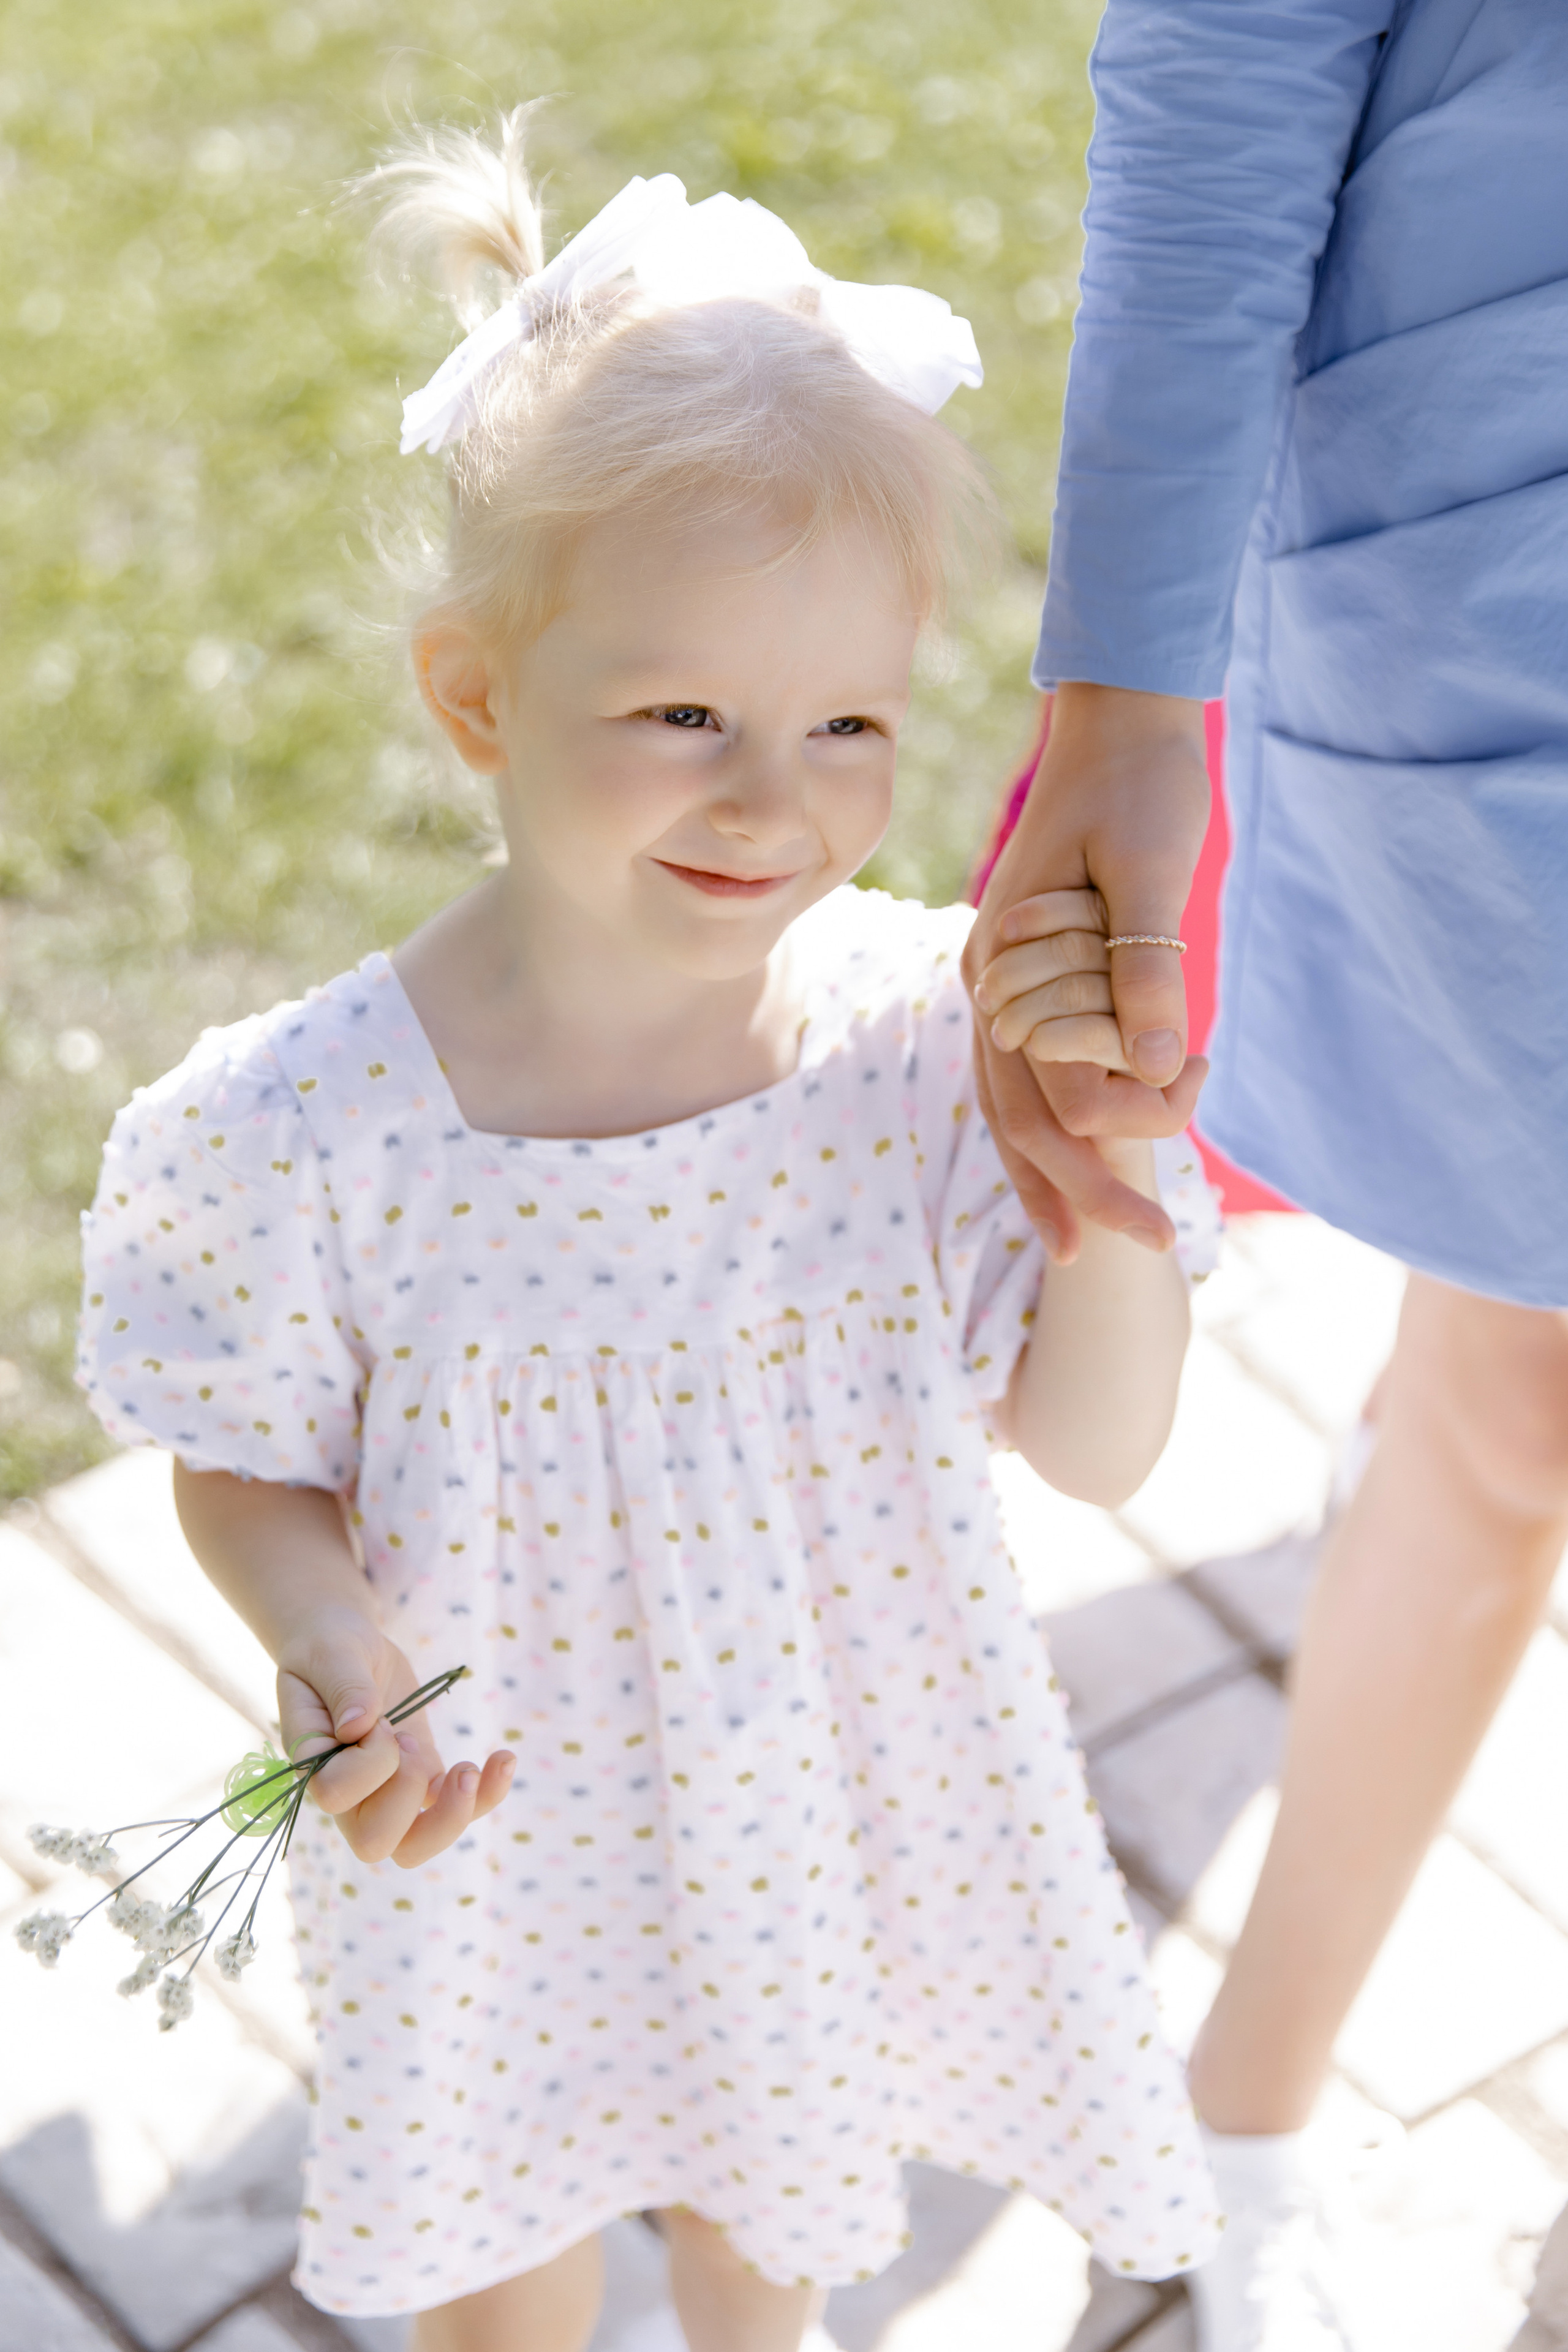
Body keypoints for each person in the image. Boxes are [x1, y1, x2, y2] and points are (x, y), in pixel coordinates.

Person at [75, 116, 1222, 2352]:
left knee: (773, 2235)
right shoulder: (313, 1131)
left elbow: (1094, 1451)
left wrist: (1109, 1210)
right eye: (680, 713)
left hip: (818, 1807)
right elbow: (244, 1462)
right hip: (493, 1852)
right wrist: (327, 1632)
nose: (768, 797)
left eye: (846, 724)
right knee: (500, 2290)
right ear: (478, 698)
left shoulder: (909, 1045)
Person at [966, 4, 1568, 2346]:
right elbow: (1227, 73)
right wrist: (1126, 698)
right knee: (1513, 1412)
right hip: (1508, 547)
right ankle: (1247, 2095)